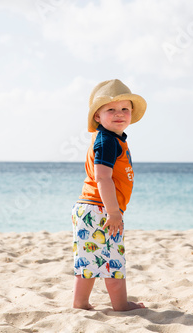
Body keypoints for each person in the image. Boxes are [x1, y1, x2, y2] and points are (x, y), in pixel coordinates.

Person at [72, 79, 146, 311]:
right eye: (111, 109)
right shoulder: (107, 141)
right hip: (100, 209)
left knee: (89, 259)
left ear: (131, 114)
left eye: (125, 109)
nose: (119, 114)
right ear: (97, 116)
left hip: (89, 208)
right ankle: (121, 305)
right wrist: (113, 212)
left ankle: (81, 303)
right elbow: (103, 177)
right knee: (113, 260)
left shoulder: (113, 139)